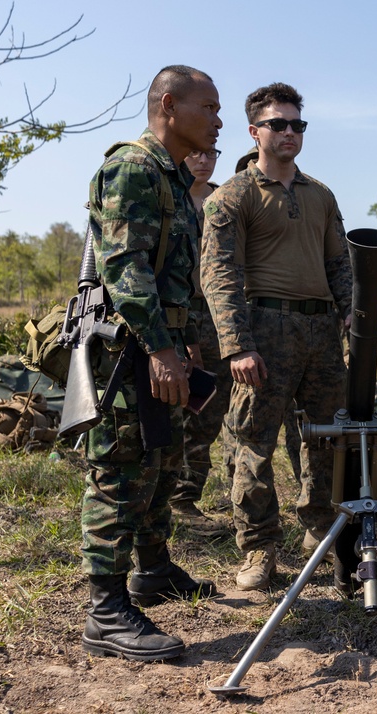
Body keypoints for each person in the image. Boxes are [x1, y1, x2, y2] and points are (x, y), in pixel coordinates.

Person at [80, 65, 221, 661]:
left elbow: (173, 275)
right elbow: (126, 269)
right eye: (209, 107)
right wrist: (161, 347)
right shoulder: (134, 168)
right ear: (170, 105)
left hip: (161, 343)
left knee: (160, 456)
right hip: (128, 350)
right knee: (119, 470)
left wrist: (183, 342)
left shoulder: (171, 175)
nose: (217, 120)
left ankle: (153, 570)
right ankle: (106, 612)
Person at [201, 82, 352, 591]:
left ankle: (319, 530)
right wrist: (237, 345)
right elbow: (218, 273)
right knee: (253, 444)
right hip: (264, 327)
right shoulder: (233, 196)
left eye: (297, 125)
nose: (289, 133)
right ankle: (259, 548)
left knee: (327, 438)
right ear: (254, 131)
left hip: (322, 331)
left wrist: (351, 315)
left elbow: (340, 263)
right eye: (278, 124)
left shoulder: (321, 194)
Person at [169, 146, 231, 537]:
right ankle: (174, 499)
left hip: (221, 317)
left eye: (211, 153)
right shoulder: (168, 196)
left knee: (210, 407)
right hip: (177, 319)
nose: (204, 160)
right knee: (178, 408)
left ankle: (186, 495)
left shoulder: (224, 200)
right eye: (196, 153)